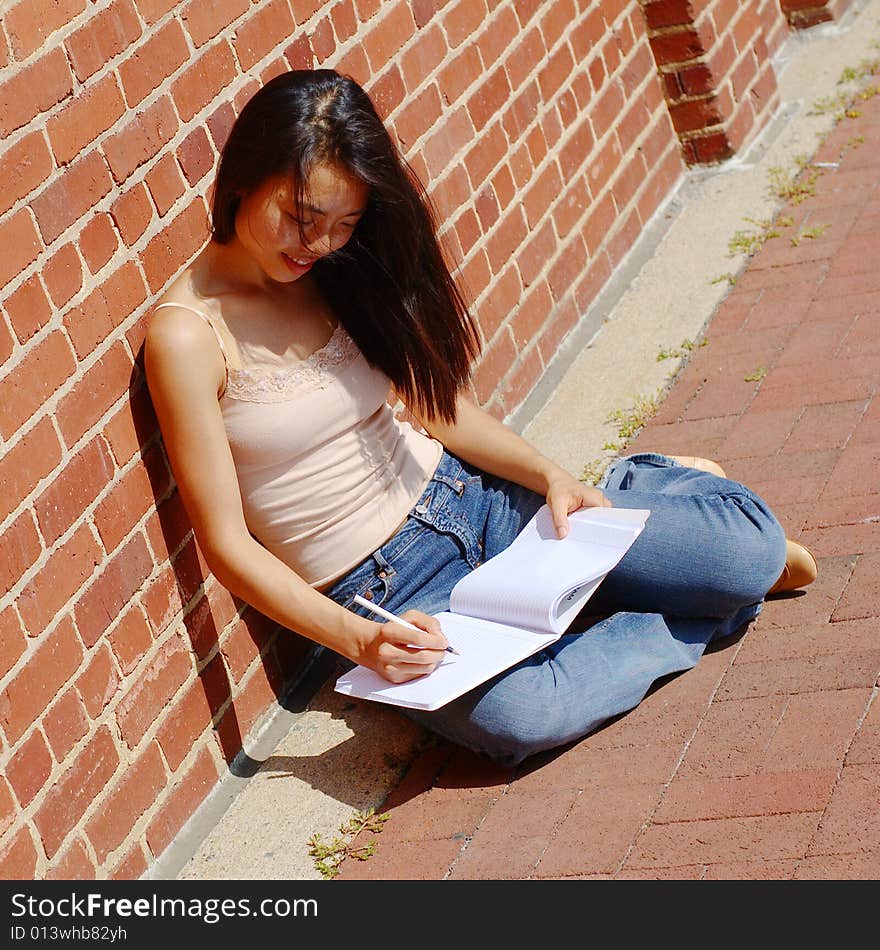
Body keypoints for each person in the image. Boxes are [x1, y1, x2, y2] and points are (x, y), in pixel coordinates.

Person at [144, 69, 817, 768]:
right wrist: (358, 641)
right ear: (244, 177)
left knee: (751, 554)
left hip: (477, 504)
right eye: (301, 214)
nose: (316, 242)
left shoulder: (333, 276)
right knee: (524, 718)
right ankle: (700, 595)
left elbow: (435, 404)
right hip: (389, 597)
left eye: (343, 225)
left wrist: (549, 474)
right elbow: (226, 545)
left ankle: (654, 491)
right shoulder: (188, 335)